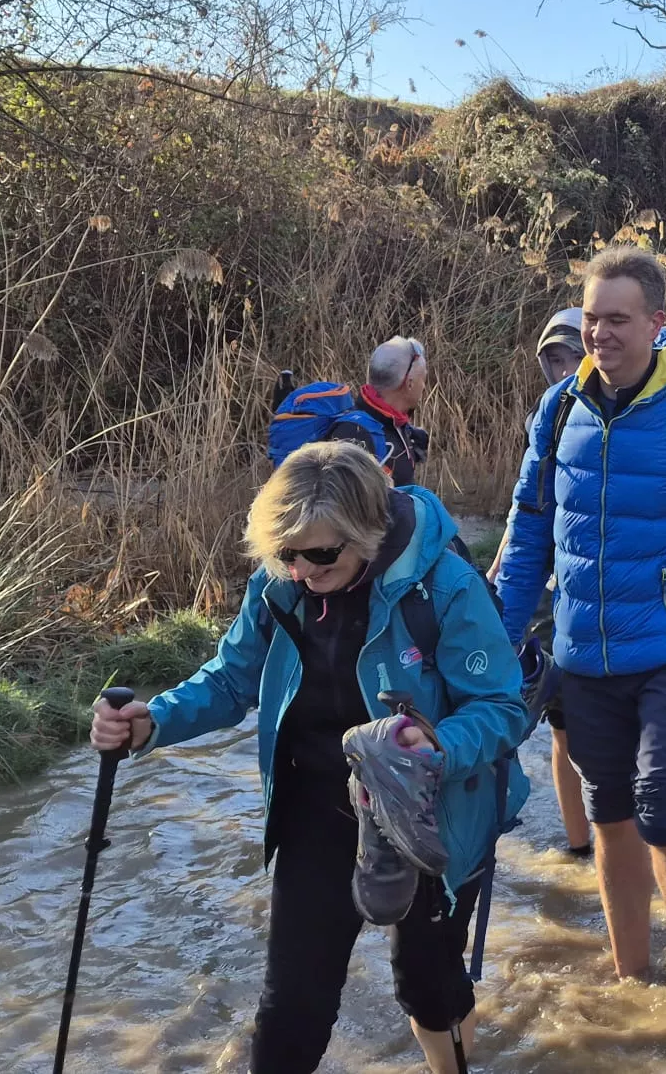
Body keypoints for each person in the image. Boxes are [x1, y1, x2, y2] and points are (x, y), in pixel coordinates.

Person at [91, 442, 524, 1074]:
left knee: (428, 989)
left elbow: (501, 708)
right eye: (286, 552)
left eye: (321, 554)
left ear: (368, 534)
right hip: (316, 809)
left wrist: (436, 747)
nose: (301, 569)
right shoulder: (281, 582)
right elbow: (231, 679)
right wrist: (153, 720)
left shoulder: (446, 586)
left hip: (433, 811)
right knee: (292, 1002)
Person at [495, 246, 666, 981]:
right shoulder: (557, 412)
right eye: (590, 319)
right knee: (609, 814)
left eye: (617, 320)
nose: (599, 335)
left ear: (656, 322)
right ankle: (631, 974)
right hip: (585, 652)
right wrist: (494, 647)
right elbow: (527, 538)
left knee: (663, 808)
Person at [527, 308, 594, 858]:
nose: (566, 367)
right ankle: (579, 846)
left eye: (574, 354)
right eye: (555, 359)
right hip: (557, 596)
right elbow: (527, 516)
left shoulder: (643, 411)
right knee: (562, 726)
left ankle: (632, 837)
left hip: (619, 601)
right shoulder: (548, 417)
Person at [336, 336, 433, 485]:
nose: (424, 387)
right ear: (410, 384)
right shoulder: (356, 436)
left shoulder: (391, 422)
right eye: (423, 379)